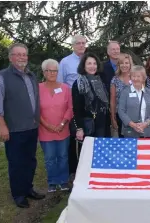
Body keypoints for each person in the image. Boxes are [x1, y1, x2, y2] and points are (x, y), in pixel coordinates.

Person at [0, 43, 45, 208]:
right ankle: (18, 195)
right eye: (18, 54)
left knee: (30, 160)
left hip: (31, 127)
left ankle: (28, 188)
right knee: (16, 163)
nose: (22, 57)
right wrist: (2, 125)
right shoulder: (1, 77)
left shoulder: (31, 76)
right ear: (11, 57)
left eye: (24, 54)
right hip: (14, 129)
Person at [39, 59, 73, 192]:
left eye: (54, 70)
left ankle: (63, 181)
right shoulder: (38, 88)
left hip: (63, 129)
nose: (52, 73)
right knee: (50, 158)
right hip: (45, 130)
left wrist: (63, 123)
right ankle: (52, 181)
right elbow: (35, 110)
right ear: (44, 72)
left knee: (63, 156)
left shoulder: (65, 88)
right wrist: (47, 125)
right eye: (48, 70)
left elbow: (70, 108)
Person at [57, 34, 87, 178]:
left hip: (87, 106)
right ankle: (72, 170)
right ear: (73, 45)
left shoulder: (89, 61)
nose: (81, 45)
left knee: (86, 136)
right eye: (78, 43)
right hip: (70, 104)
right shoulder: (65, 62)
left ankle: (85, 166)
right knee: (71, 138)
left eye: (83, 43)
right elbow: (60, 84)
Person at [72, 53, 110, 142]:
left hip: (102, 122)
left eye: (94, 63)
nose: (92, 66)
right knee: (89, 153)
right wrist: (79, 128)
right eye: (89, 63)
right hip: (87, 124)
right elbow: (77, 108)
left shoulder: (101, 80)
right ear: (83, 66)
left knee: (101, 151)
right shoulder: (78, 83)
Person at [118, 65, 150, 138]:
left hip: (147, 131)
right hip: (130, 131)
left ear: (143, 78)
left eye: (138, 76)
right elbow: (121, 111)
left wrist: (146, 123)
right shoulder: (125, 92)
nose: (135, 79)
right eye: (133, 76)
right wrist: (133, 125)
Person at [110, 53, 133, 138]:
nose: (124, 65)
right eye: (122, 63)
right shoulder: (114, 80)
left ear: (130, 64)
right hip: (120, 115)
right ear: (118, 65)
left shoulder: (135, 78)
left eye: (126, 63)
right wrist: (113, 117)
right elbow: (112, 100)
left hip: (135, 115)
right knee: (123, 141)